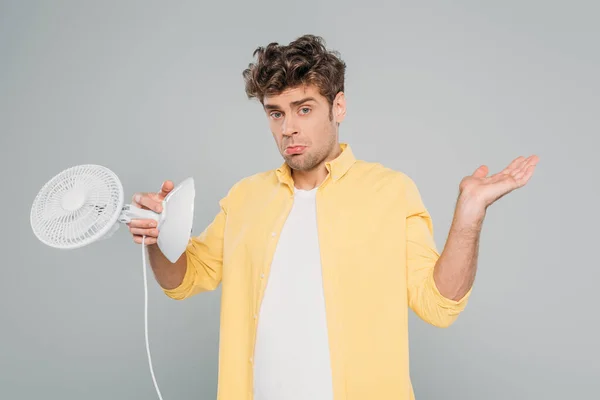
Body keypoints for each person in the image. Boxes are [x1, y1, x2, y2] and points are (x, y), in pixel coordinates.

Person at [128, 35, 538, 400]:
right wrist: (160, 233)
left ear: (337, 106)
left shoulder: (391, 191)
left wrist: (469, 214)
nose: (288, 128)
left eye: (303, 109)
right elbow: (182, 279)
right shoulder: (245, 197)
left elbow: (438, 304)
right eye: (276, 113)